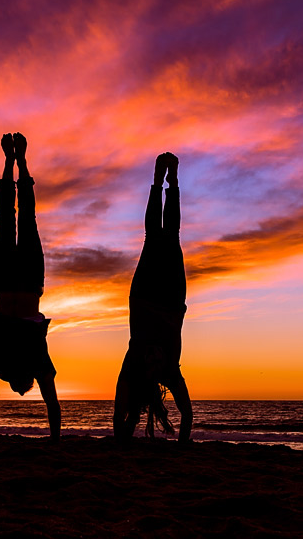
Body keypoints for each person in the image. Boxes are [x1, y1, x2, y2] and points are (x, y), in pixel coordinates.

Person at [0, 132, 61, 442]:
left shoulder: (0, 362)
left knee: (9, 219)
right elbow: (52, 403)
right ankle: (19, 161)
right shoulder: (36, 361)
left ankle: (13, 161)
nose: (23, 385)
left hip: (7, 281)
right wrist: (56, 442)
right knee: (24, 220)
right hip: (24, 282)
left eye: (20, 387)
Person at [113, 152, 193, 443]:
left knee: (152, 236)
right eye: (155, 360)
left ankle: (158, 182)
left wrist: (122, 433)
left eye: (151, 359)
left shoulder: (133, 364)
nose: (154, 357)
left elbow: (118, 410)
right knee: (170, 236)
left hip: (145, 296)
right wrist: (183, 445)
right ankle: (171, 182)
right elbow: (186, 413)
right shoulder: (170, 370)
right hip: (172, 300)